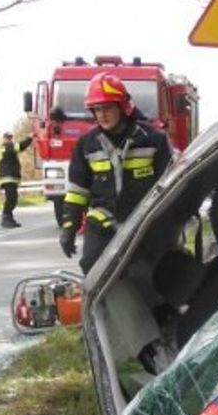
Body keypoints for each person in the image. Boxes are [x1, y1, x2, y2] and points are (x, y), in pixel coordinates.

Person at [59, 73, 171, 273]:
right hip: (102, 225)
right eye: (97, 109)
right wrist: (69, 228)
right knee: (92, 266)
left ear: (123, 107)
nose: (102, 115)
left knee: (155, 274)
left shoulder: (154, 139)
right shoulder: (86, 145)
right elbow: (78, 191)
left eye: (107, 108)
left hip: (144, 223)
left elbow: (169, 185)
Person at [0, 131, 31, 228]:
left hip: (12, 178)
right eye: (7, 137)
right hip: (8, 178)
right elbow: (19, 147)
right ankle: (5, 218)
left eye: (10, 137)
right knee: (11, 198)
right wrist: (29, 138)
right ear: (4, 138)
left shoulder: (9, 147)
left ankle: (10, 218)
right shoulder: (6, 148)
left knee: (13, 199)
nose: (9, 139)